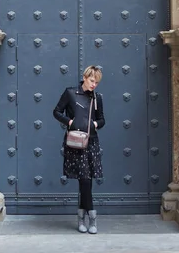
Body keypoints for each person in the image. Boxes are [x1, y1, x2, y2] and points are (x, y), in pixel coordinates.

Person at [53, 66, 105, 234]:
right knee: (84, 178)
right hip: (76, 141)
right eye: (92, 81)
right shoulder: (70, 93)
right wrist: (69, 122)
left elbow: (102, 120)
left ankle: (81, 218)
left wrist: (95, 124)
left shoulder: (97, 98)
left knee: (86, 179)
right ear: (84, 77)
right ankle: (92, 217)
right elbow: (56, 111)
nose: (94, 85)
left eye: (97, 82)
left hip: (92, 142)